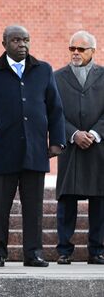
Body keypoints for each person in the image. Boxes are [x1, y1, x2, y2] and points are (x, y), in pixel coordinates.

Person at [0, 25, 65, 268]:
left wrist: (56, 141)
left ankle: (33, 253)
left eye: (25, 40)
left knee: (34, 208)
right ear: (4, 44)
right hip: (2, 151)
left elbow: (55, 109)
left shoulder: (43, 70)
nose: (22, 44)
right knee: (0, 206)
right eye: (15, 40)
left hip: (36, 150)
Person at [54, 30, 104, 265]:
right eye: (72, 48)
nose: (75, 53)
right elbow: (53, 113)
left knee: (100, 201)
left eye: (81, 49)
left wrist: (94, 133)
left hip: (98, 148)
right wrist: (73, 133)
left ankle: (97, 250)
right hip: (70, 147)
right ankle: (64, 250)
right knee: (67, 201)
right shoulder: (57, 77)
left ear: (93, 51)